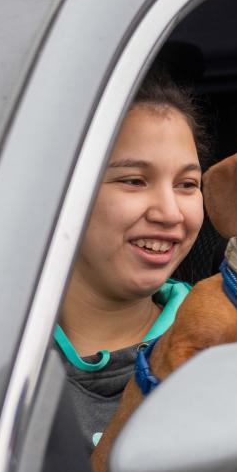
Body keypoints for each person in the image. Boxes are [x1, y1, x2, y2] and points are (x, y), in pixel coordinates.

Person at [53, 70, 207, 448]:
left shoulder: (229, 347)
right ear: (63, 190)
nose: (170, 213)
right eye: (134, 181)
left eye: (187, 185)